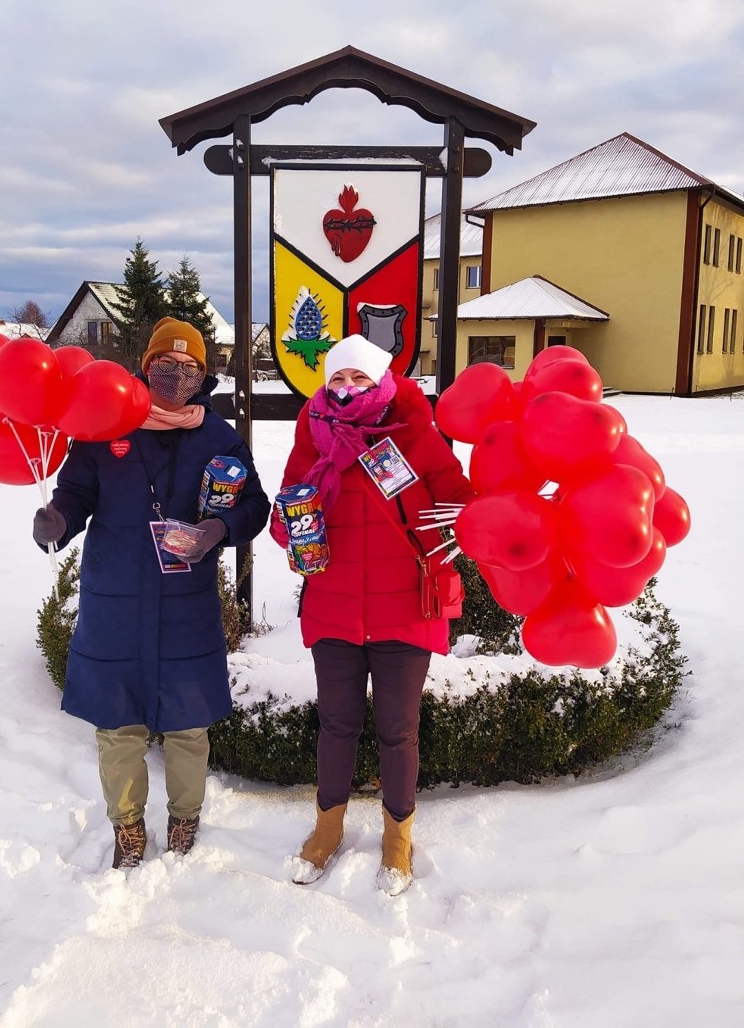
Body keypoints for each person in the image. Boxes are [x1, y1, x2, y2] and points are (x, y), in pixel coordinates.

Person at [33, 318, 270, 870]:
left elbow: (252, 503)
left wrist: (218, 530)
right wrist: (56, 520)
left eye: (190, 368)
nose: (177, 375)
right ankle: (128, 825)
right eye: (167, 364)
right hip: (115, 598)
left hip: (186, 603)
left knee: (189, 724)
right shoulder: (104, 424)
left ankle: (185, 817)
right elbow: (74, 493)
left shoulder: (219, 436)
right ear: (146, 365)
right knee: (118, 727)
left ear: (203, 374)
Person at [270, 335, 475, 895]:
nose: (347, 388)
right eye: (338, 379)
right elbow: (283, 515)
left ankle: (397, 838)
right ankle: (327, 829)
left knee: (397, 731)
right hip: (335, 607)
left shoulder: (415, 433)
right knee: (336, 725)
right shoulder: (311, 437)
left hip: (403, 608)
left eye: (359, 378)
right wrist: (294, 527)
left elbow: (462, 504)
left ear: (383, 381)